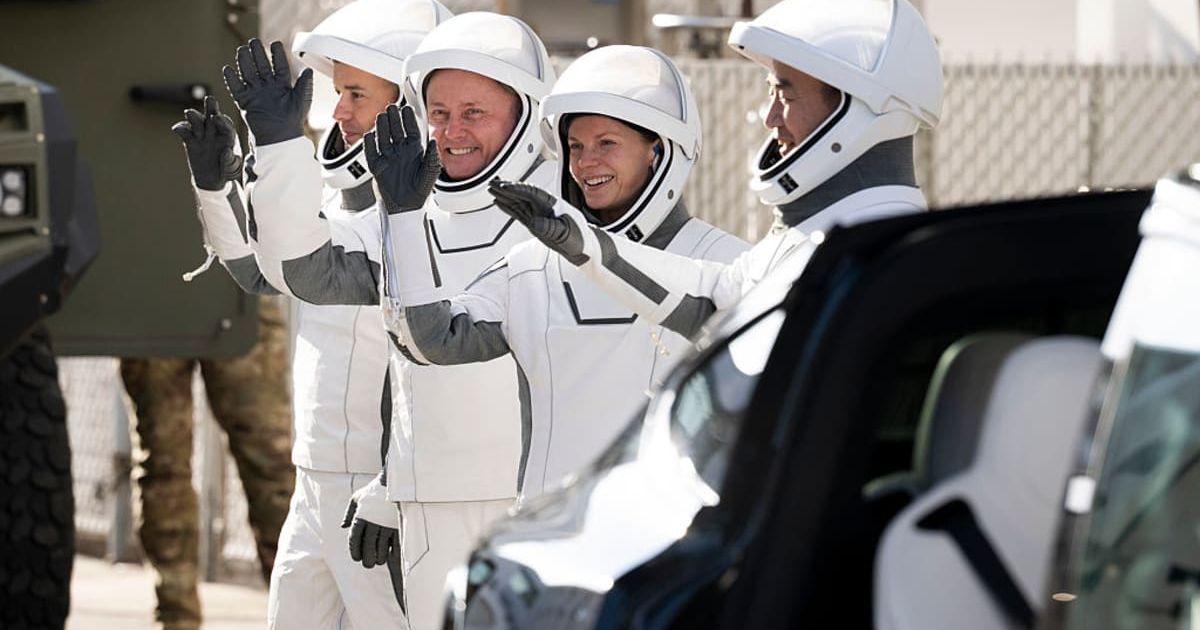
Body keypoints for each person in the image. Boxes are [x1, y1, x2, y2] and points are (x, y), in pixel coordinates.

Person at [222, 12, 557, 629]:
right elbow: (298, 270)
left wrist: (386, 484)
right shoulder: (402, 217)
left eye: (475, 112)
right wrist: (274, 146)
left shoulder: (556, 226)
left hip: (482, 503)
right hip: (376, 490)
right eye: (441, 111)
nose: (452, 131)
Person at [174, 1, 450, 627]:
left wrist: (388, 487)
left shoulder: (426, 223)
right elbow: (262, 274)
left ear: (408, 101)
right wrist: (215, 187)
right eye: (338, 92)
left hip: (384, 496)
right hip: (316, 479)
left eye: (356, 93)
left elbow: (308, 269)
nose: (339, 112)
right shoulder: (342, 202)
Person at [371, 45, 748, 499]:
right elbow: (428, 342)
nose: (587, 162)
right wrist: (403, 219)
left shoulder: (728, 264)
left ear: (659, 151)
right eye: (575, 147)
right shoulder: (530, 268)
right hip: (552, 541)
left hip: (671, 542)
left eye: (607, 143)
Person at [489, 0, 944, 339]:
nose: (771, 118)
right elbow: (716, 295)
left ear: (853, 111)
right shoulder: (821, 237)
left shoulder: (865, 253)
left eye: (785, 95)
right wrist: (583, 242)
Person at [119, 307, 293, 630]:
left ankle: (296, 613)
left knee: (271, 467)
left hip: (240, 290)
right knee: (163, 468)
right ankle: (176, 615)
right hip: (152, 297)